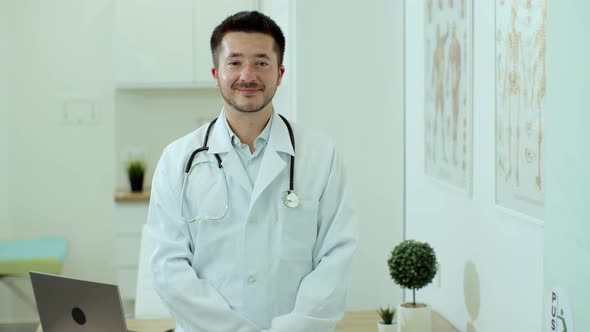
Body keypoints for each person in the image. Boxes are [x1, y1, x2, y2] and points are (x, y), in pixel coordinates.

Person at [146, 11, 358, 332]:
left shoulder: (321, 155)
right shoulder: (178, 160)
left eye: (261, 62)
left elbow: (336, 257)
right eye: (234, 63)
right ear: (216, 73)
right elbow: (167, 266)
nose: (248, 75)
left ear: (280, 73)